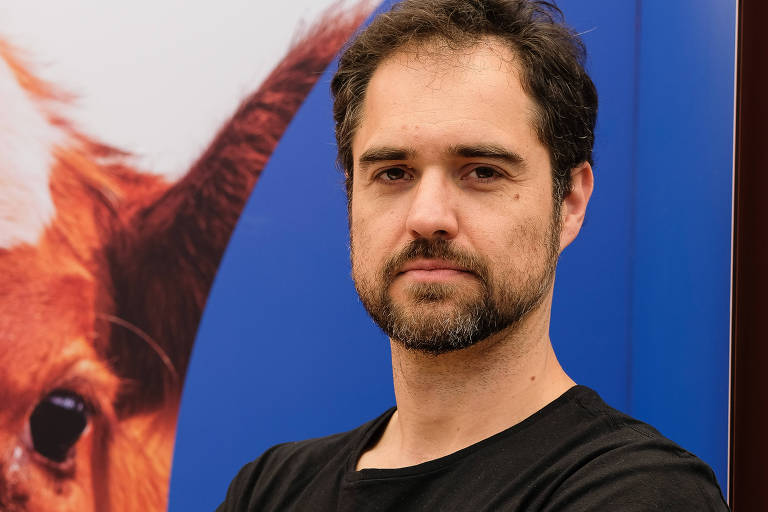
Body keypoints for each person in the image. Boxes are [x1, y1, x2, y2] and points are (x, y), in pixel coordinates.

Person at [217, 0, 729, 510]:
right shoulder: (269, 490)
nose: (428, 216)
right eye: (393, 173)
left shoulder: (638, 492)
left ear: (569, 202)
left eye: (483, 171)